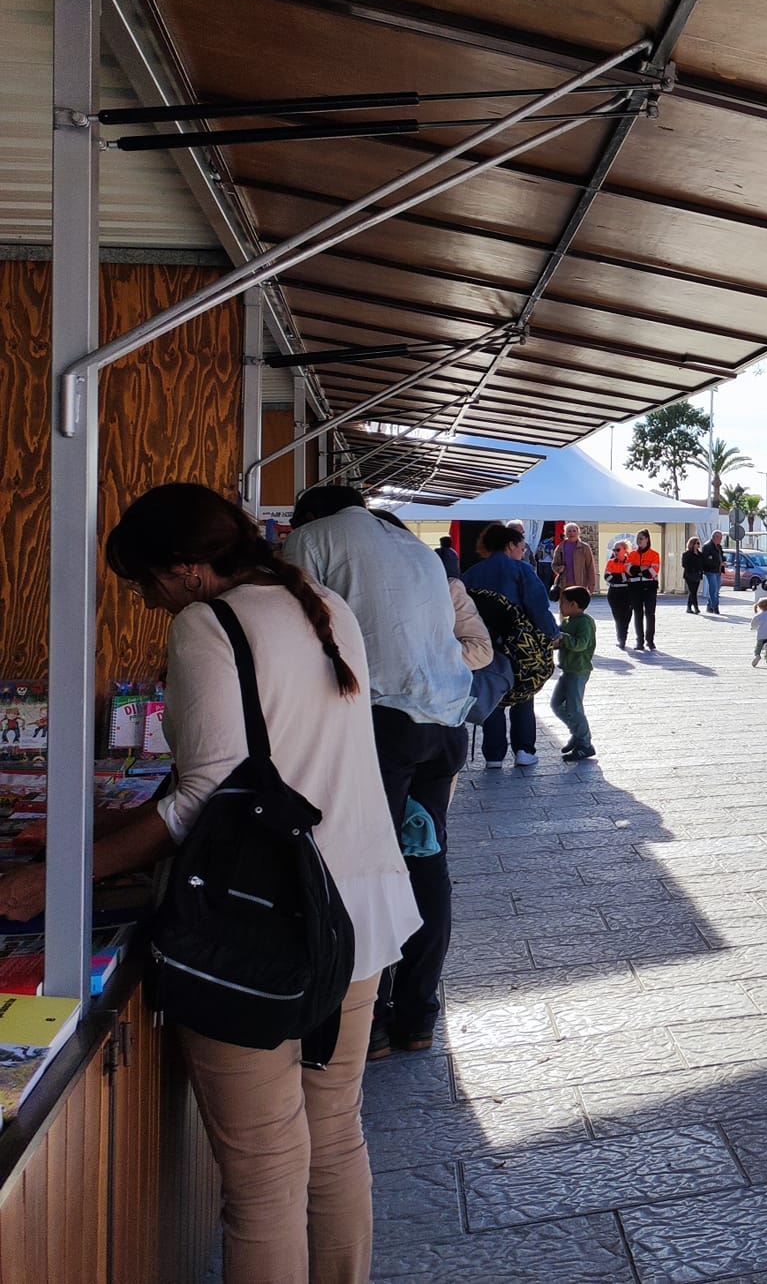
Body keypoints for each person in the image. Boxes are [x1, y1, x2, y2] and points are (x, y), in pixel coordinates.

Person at [0, 484, 418, 1284]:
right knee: (333, 1143)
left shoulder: (206, 625)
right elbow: (254, 768)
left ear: (188, 570)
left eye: (142, 583)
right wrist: (93, 835)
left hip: (268, 928)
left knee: (263, 1177)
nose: (144, 601)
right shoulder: (321, 601)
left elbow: (202, 797)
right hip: (362, 913)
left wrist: (53, 880)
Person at [282, 486, 471, 1057]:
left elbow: (292, 632)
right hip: (446, 725)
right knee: (426, 861)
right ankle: (418, 1017)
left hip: (385, 723)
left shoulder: (311, 540)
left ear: (308, 517)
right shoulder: (412, 546)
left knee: (370, 867)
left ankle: (374, 1024)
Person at [464, 523, 560, 768]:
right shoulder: (522, 570)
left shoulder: (472, 573)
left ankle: (494, 756)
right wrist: (553, 634)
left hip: (483, 645)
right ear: (510, 545)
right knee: (522, 696)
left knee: (492, 693)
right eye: (521, 546)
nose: (522, 550)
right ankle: (524, 750)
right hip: (519, 644)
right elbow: (538, 607)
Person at [552, 586, 597, 762]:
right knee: (557, 704)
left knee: (574, 708)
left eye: (563, 602)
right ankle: (578, 734)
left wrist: (563, 638)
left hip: (578, 671)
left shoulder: (585, 622)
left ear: (573, 604)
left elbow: (581, 644)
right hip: (568, 670)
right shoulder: (569, 620)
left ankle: (585, 744)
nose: (560, 605)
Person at [623, 529, 661, 651]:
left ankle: (650, 640)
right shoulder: (632, 555)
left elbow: (653, 571)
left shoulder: (654, 554)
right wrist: (643, 568)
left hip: (650, 587)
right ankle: (639, 641)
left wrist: (637, 570)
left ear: (647, 539)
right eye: (637, 538)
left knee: (650, 613)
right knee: (638, 614)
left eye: (641, 538)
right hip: (635, 587)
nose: (638, 540)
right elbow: (628, 570)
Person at [554, 522, 598, 599]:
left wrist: (592, 584)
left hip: (580, 583)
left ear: (578, 533)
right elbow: (554, 564)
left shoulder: (585, 548)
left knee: (578, 606)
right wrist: (559, 568)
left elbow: (590, 566)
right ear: (565, 533)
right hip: (564, 584)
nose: (572, 533)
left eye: (574, 531)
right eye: (569, 531)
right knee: (565, 607)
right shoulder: (560, 547)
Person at [603, 538, 633, 649]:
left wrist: (617, 576)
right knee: (617, 616)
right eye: (614, 550)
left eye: (618, 549)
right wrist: (622, 576)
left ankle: (622, 635)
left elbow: (630, 576)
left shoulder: (630, 562)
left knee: (627, 616)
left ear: (625, 550)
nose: (615, 552)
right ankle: (621, 638)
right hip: (614, 592)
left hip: (627, 592)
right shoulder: (611, 562)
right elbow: (607, 577)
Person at [701, 530, 727, 615]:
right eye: (720, 538)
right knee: (713, 589)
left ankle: (710, 606)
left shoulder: (719, 546)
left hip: (718, 570)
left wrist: (723, 561)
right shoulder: (707, 546)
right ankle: (715, 607)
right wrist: (719, 563)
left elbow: (721, 556)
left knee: (716, 589)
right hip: (710, 571)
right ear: (715, 537)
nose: (721, 540)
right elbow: (706, 560)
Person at [682, 536, 706, 613]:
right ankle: (696, 607)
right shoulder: (686, 554)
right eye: (697, 543)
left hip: (698, 575)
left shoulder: (700, 554)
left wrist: (701, 570)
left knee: (693, 591)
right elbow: (684, 564)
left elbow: (703, 564)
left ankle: (689, 607)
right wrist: (693, 568)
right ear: (693, 544)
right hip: (689, 575)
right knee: (693, 592)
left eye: (699, 543)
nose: (699, 545)